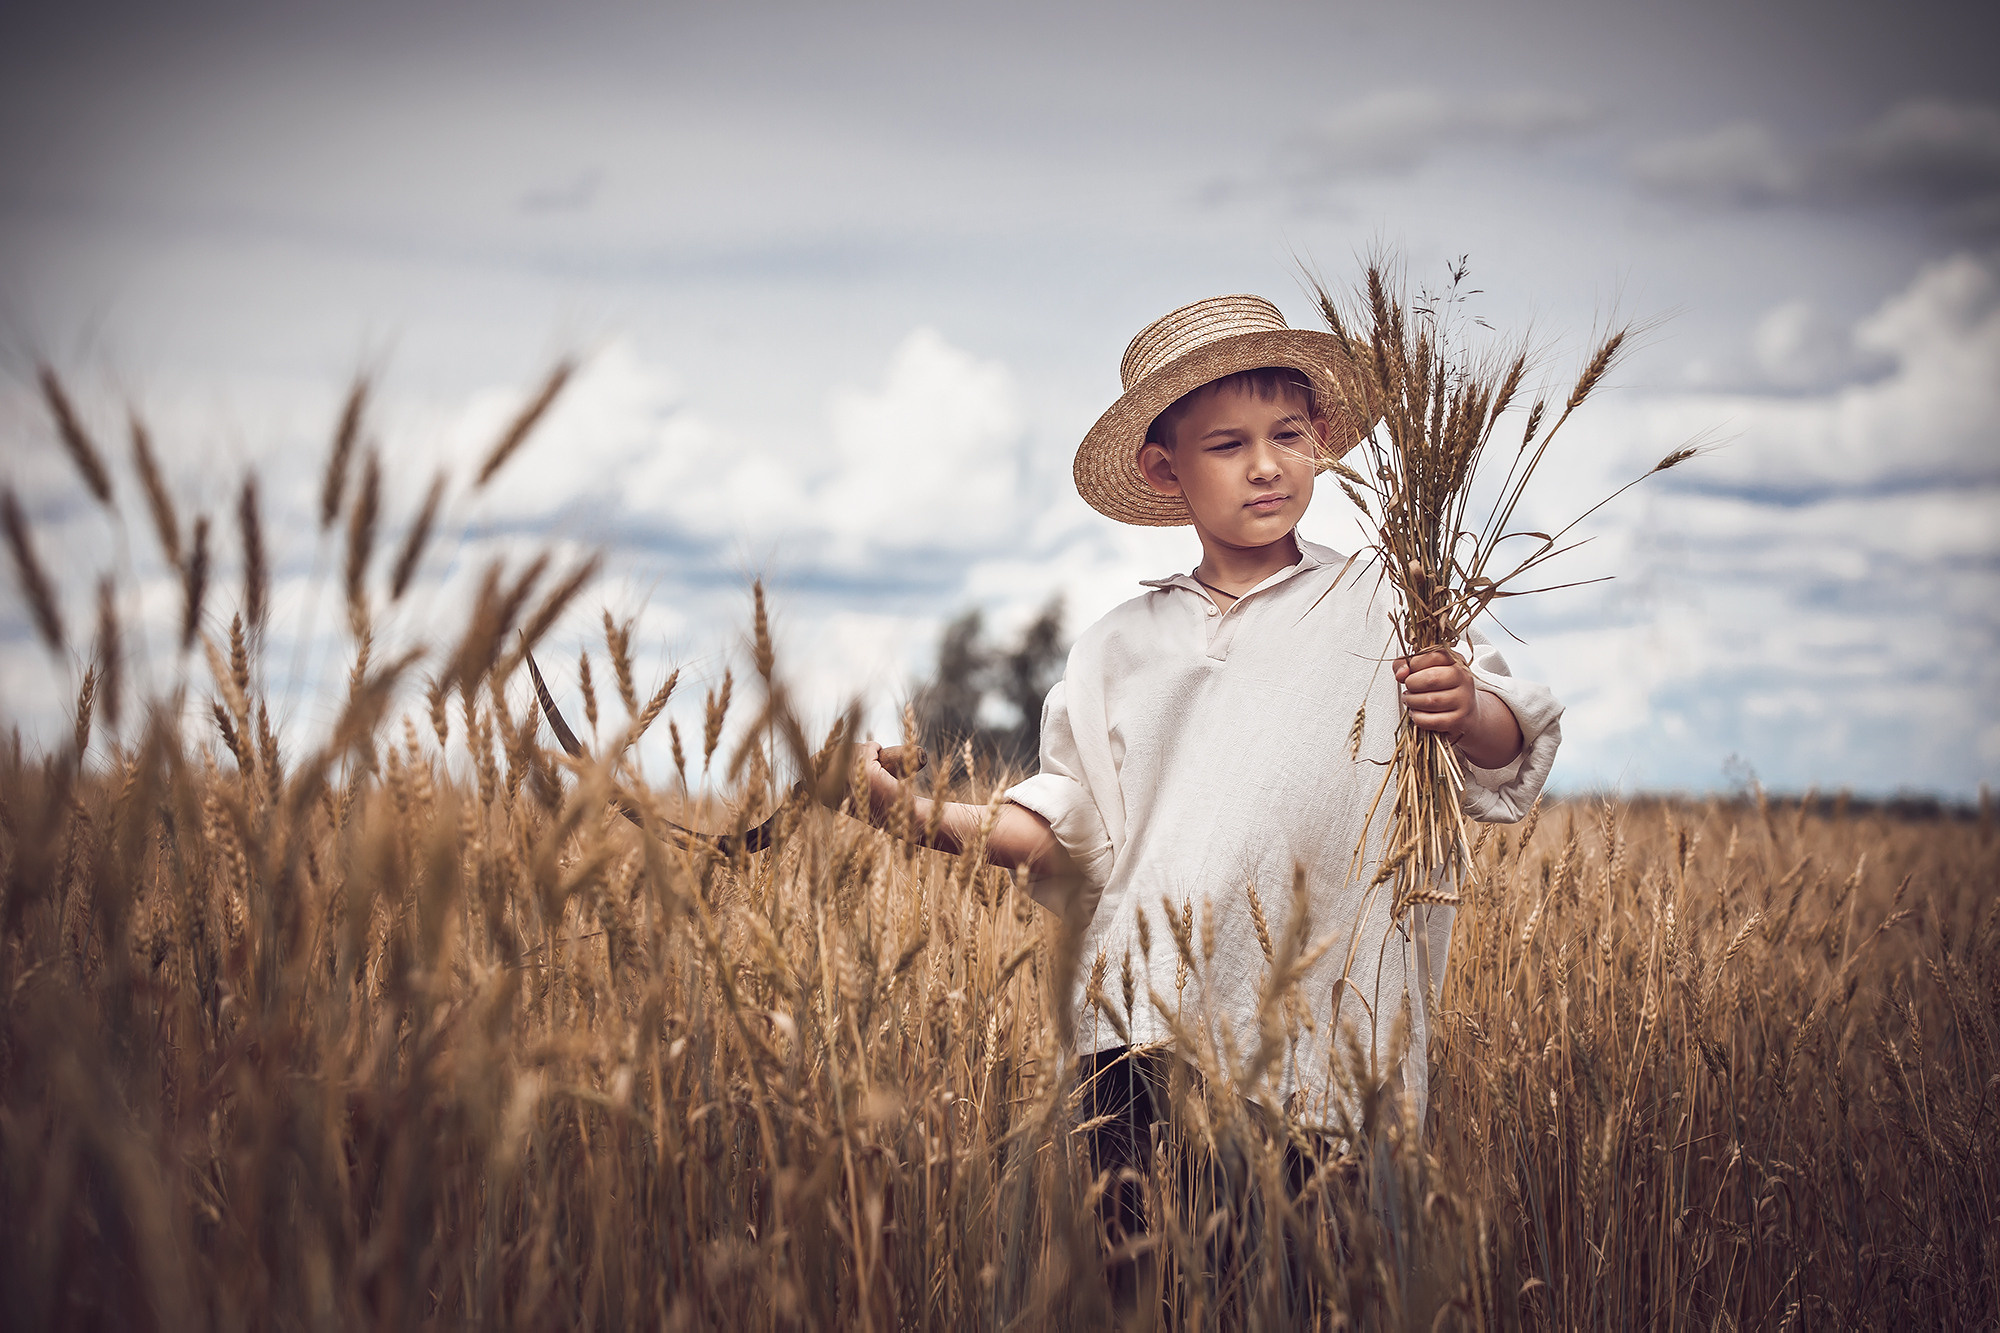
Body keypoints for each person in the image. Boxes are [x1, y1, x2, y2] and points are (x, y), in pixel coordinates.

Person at [857, 293, 1562, 1279]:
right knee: (1145, 1287)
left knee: (1306, 1286)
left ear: (1321, 437)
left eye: (1288, 434)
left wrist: (1464, 706)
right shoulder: (1116, 647)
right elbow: (1065, 827)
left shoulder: (1383, 601)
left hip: (1322, 1055)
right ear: (1164, 469)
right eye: (1228, 444)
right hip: (1135, 1041)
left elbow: (1503, 746)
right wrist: (906, 812)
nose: (1266, 464)